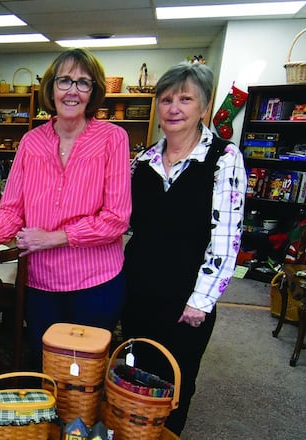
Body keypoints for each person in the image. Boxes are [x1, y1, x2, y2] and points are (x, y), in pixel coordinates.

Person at [0, 48, 132, 364]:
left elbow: (116, 219)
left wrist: (54, 238)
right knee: (46, 364)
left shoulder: (113, 139)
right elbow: (12, 209)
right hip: (41, 283)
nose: (73, 91)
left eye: (83, 83)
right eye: (65, 81)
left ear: (93, 91)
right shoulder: (31, 142)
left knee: (85, 372)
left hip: (96, 284)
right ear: (51, 88)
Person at [121, 62, 246, 435]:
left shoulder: (224, 158)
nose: (174, 108)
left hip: (186, 296)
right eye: (166, 100)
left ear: (204, 107)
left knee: (176, 380)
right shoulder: (142, 162)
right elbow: (123, 222)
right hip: (138, 288)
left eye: (185, 99)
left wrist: (201, 301)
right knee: (136, 373)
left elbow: (227, 237)